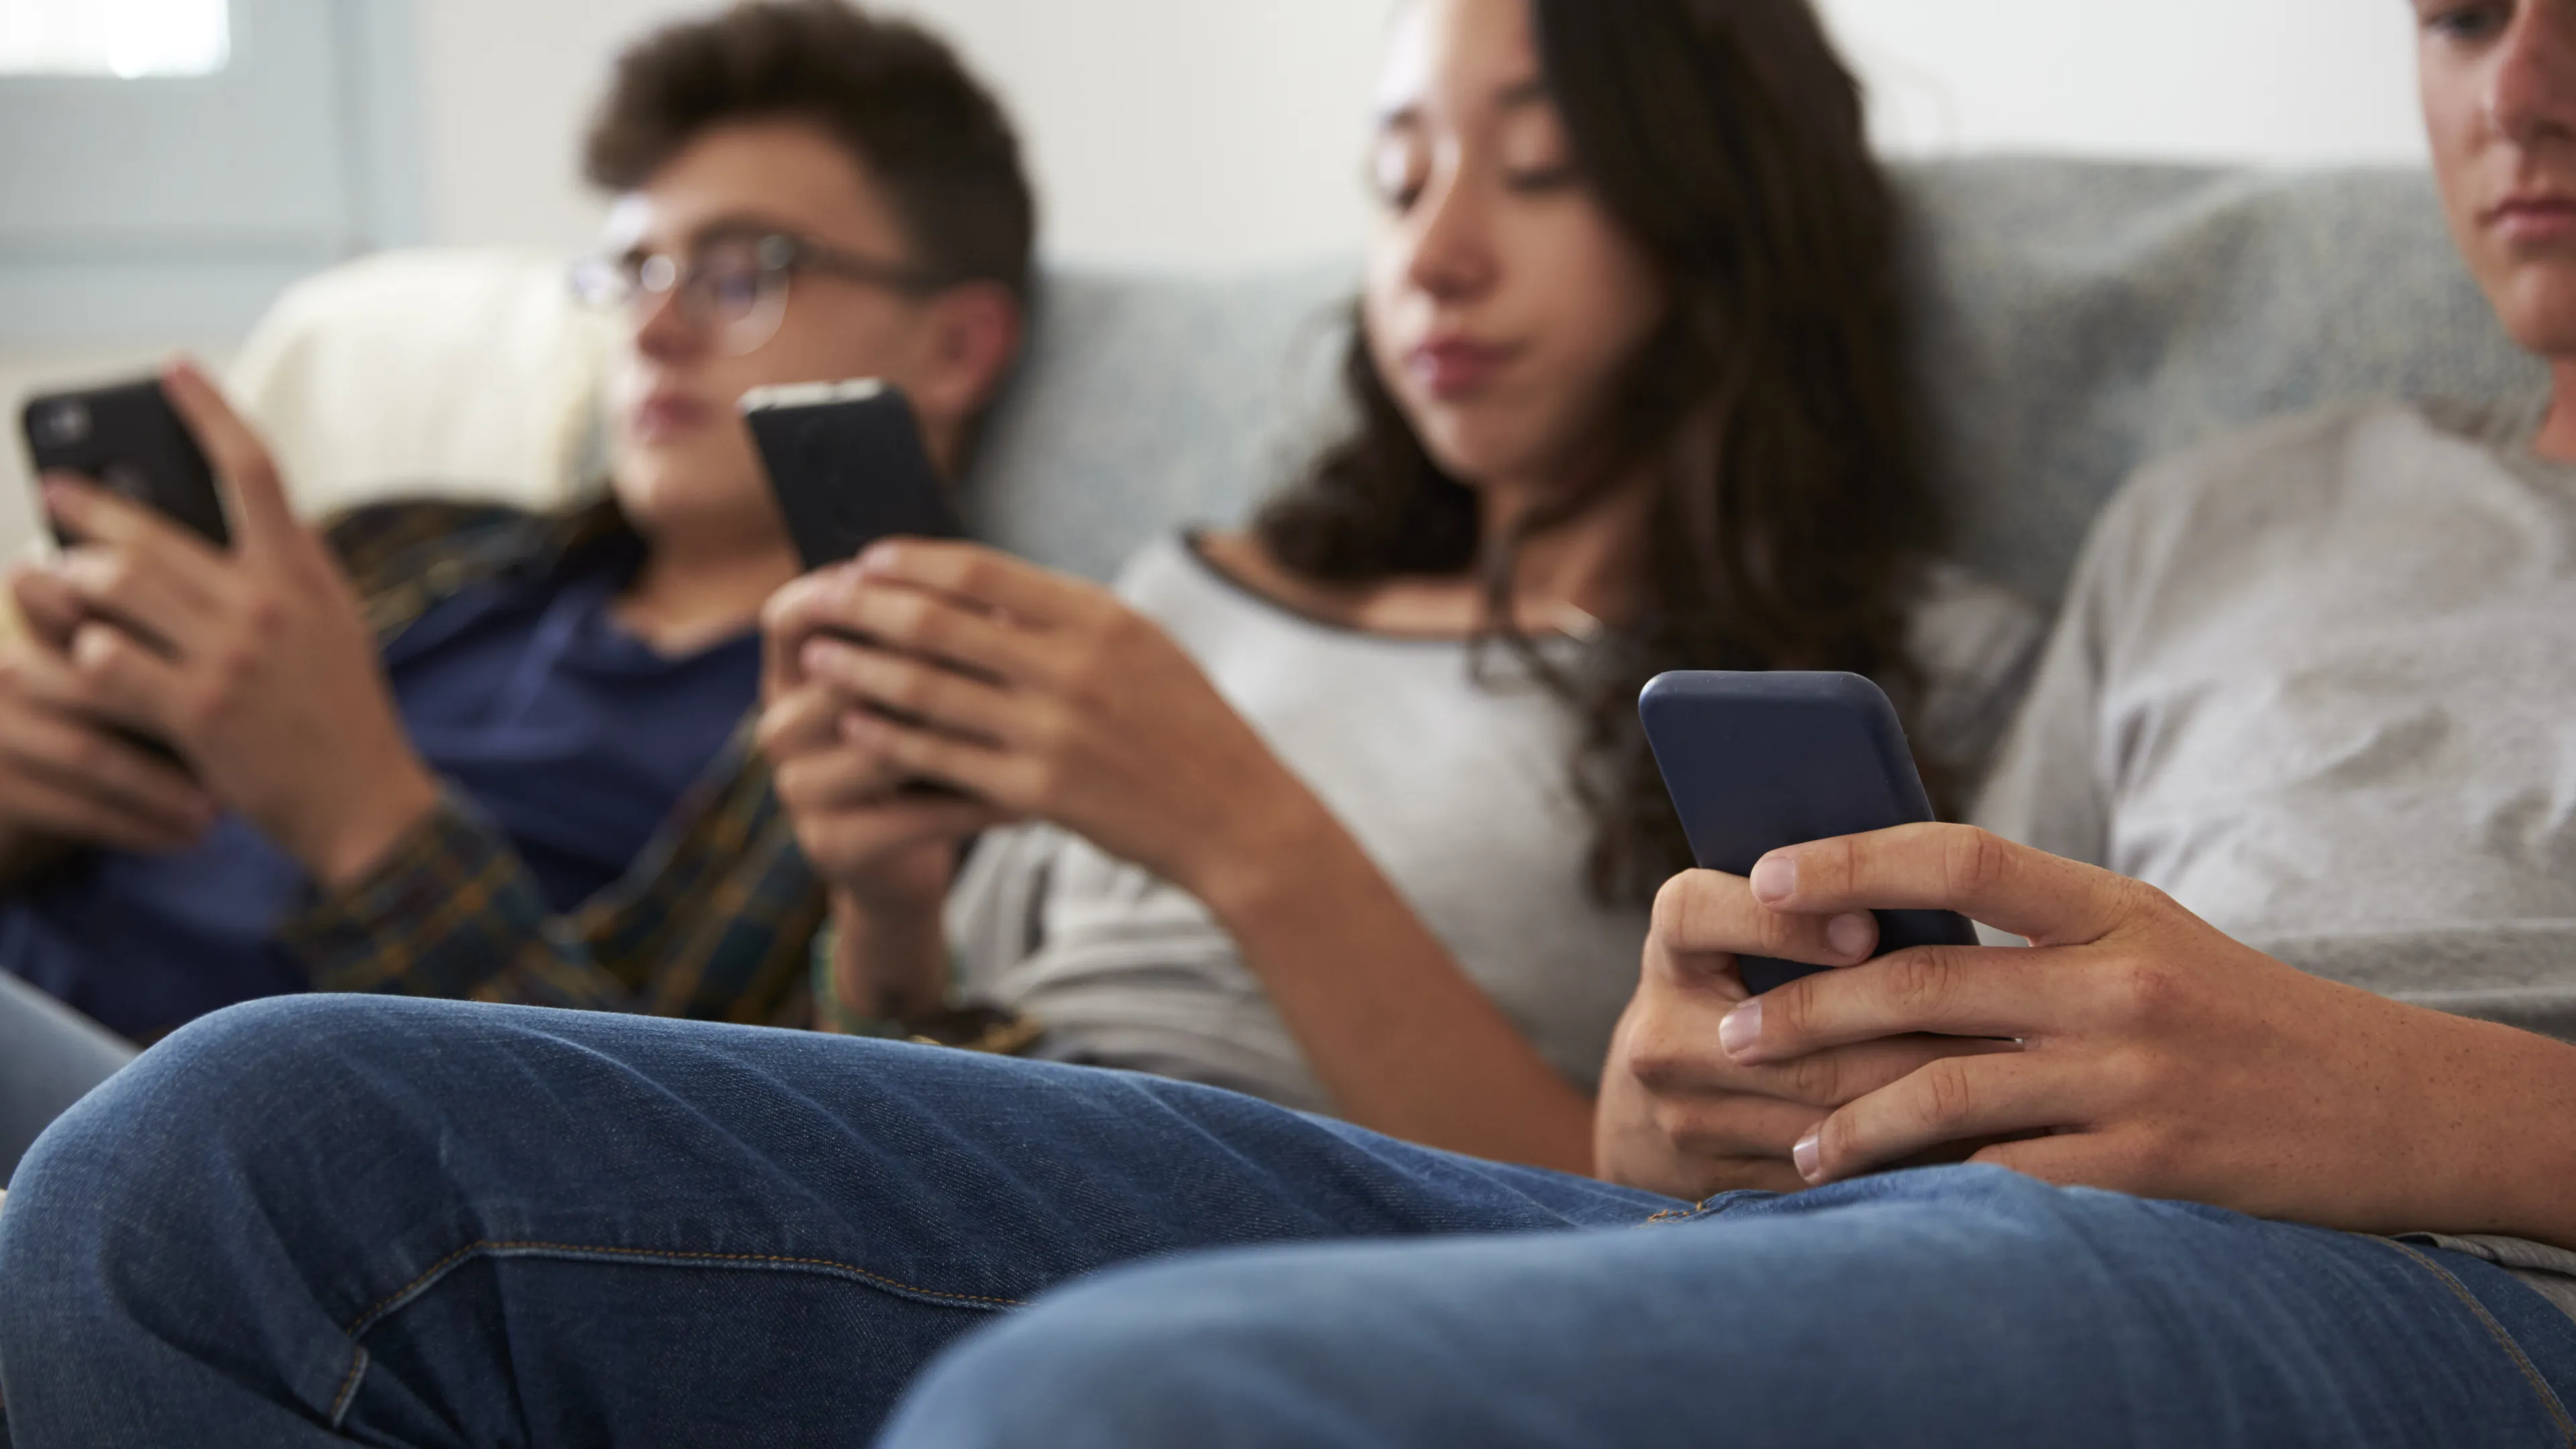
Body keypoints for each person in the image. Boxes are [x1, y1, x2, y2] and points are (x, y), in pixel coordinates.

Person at [34, 0, 2576, 1444]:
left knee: (1111, 1406)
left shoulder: (1910, 616)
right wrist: (904, 897)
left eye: (1541, 169)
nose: (2523, 80)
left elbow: (2154, 1101)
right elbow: (1871, 1123)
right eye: (2457, 9)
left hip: (2418, 1279)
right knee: (238, 1153)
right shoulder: (2228, 510)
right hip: (1964, 1231)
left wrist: (2384, 1091)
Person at [752, 0, 2037, 1171]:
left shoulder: (1875, 680)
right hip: (930, 1172)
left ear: (1724, 213)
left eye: (1541, 170)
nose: (1435, 254)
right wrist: (887, 909)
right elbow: (912, 1044)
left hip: (1274, 1240)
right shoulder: (1193, 589)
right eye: (1399, 177)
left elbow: (1655, 1210)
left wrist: (1241, 830)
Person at [0, 1, 1031, 1177]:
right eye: (639, 268)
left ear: (957, 347)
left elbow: (659, 1188)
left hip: (185, 1157)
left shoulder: (902, 734)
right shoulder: (402, 542)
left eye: (744, 273)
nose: (654, 326)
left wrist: (366, 820)